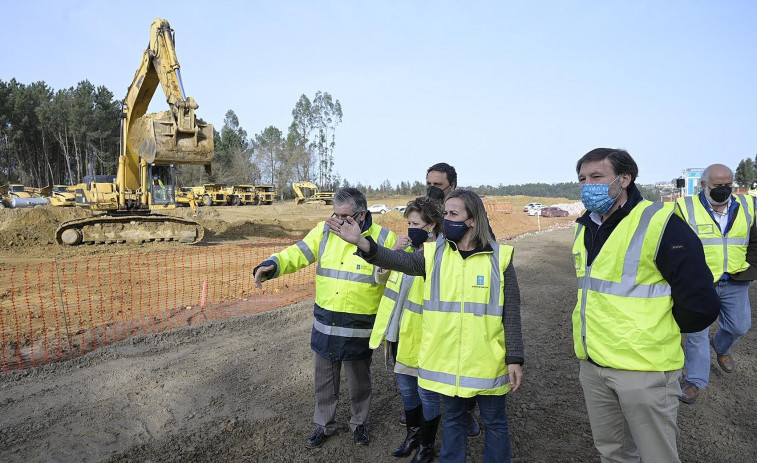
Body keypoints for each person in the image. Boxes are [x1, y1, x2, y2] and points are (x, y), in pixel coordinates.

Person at [326, 188, 524, 462]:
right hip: (448, 363)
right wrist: (364, 244)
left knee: (495, 422)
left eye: (454, 214)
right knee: (453, 419)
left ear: (473, 220)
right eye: (446, 214)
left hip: (487, 361)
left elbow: (511, 312)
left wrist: (515, 358)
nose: (448, 219)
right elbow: (400, 260)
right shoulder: (435, 255)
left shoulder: (499, 258)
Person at [573, 148, 720, 462]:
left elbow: (700, 302)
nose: (588, 185)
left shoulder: (659, 222)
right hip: (595, 366)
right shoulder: (585, 226)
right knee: (612, 452)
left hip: (644, 371)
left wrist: (654, 332)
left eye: (597, 177)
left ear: (625, 178)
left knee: (658, 456)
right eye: (583, 179)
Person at [253, 187, 397, 448]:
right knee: (324, 379)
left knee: (359, 381)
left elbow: (396, 276)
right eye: (335, 213)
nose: (337, 220)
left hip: (359, 323)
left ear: (362, 214)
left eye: (344, 216)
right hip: (326, 320)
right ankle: (324, 425)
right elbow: (298, 253)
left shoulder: (384, 237)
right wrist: (272, 265)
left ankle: (359, 424)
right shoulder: (324, 230)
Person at [369, 196, 444, 462]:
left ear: (432, 224)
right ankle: (412, 436)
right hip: (399, 334)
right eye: (409, 223)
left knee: (427, 394)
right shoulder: (407, 249)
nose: (410, 228)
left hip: (427, 339)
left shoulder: (443, 254)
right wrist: (393, 255)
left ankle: (426, 446)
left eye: (415, 223)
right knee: (407, 391)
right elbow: (379, 278)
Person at [675, 164, 756, 404]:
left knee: (740, 326)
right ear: (703, 185)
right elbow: (674, 243)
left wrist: (751, 266)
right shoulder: (684, 208)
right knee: (696, 334)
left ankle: (721, 346)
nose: (724, 190)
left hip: (735, 279)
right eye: (717, 186)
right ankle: (695, 381)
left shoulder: (748, 205)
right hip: (699, 283)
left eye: (728, 185)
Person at [425, 161, 484, 439]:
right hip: (429, 295)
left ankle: (466, 410)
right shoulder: (422, 210)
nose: (432, 189)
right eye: (429, 183)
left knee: (461, 357)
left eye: (438, 185)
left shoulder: (465, 213)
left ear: (452, 186)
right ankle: (425, 408)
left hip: (460, 297)